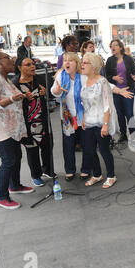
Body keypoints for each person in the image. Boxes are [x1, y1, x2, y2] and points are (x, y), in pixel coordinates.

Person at [0, 52, 34, 210]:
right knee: (8, 160)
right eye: (8, 58)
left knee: (16, 156)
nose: (12, 61)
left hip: (11, 125)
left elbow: (10, 96)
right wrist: (11, 99)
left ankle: (15, 185)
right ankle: (1, 197)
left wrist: (22, 96)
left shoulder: (4, 77)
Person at [81, 53, 125, 189]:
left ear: (94, 66)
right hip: (88, 121)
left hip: (101, 122)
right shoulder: (84, 81)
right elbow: (85, 104)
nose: (82, 65)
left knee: (104, 150)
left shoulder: (102, 82)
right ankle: (97, 174)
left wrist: (105, 125)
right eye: (82, 62)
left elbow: (107, 105)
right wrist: (83, 119)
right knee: (89, 150)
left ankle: (111, 176)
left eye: (85, 63)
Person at [12, 57, 54, 187]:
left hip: (42, 120)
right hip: (27, 123)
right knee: (32, 149)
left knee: (47, 146)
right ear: (20, 67)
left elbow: (50, 96)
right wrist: (25, 99)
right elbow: (13, 105)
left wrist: (45, 93)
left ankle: (48, 170)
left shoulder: (39, 79)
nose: (33, 67)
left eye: (33, 64)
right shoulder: (15, 84)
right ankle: (36, 175)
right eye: (28, 64)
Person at [51, 52, 90, 181]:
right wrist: (56, 92)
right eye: (65, 60)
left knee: (86, 144)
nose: (67, 62)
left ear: (77, 63)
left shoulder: (84, 77)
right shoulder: (60, 76)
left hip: (83, 117)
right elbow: (55, 91)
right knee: (68, 145)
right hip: (67, 118)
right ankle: (69, 170)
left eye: (70, 60)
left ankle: (86, 169)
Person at [105, 39, 135, 143]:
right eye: (111, 46)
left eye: (115, 45)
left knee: (129, 113)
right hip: (116, 91)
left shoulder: (128, 59)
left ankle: (133, 134)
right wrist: (114, 78)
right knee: (119, 113)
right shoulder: (109, 60)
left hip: (128, 89)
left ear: (120, 47)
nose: (113, 47)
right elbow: (107, 77)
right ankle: (123, 134)